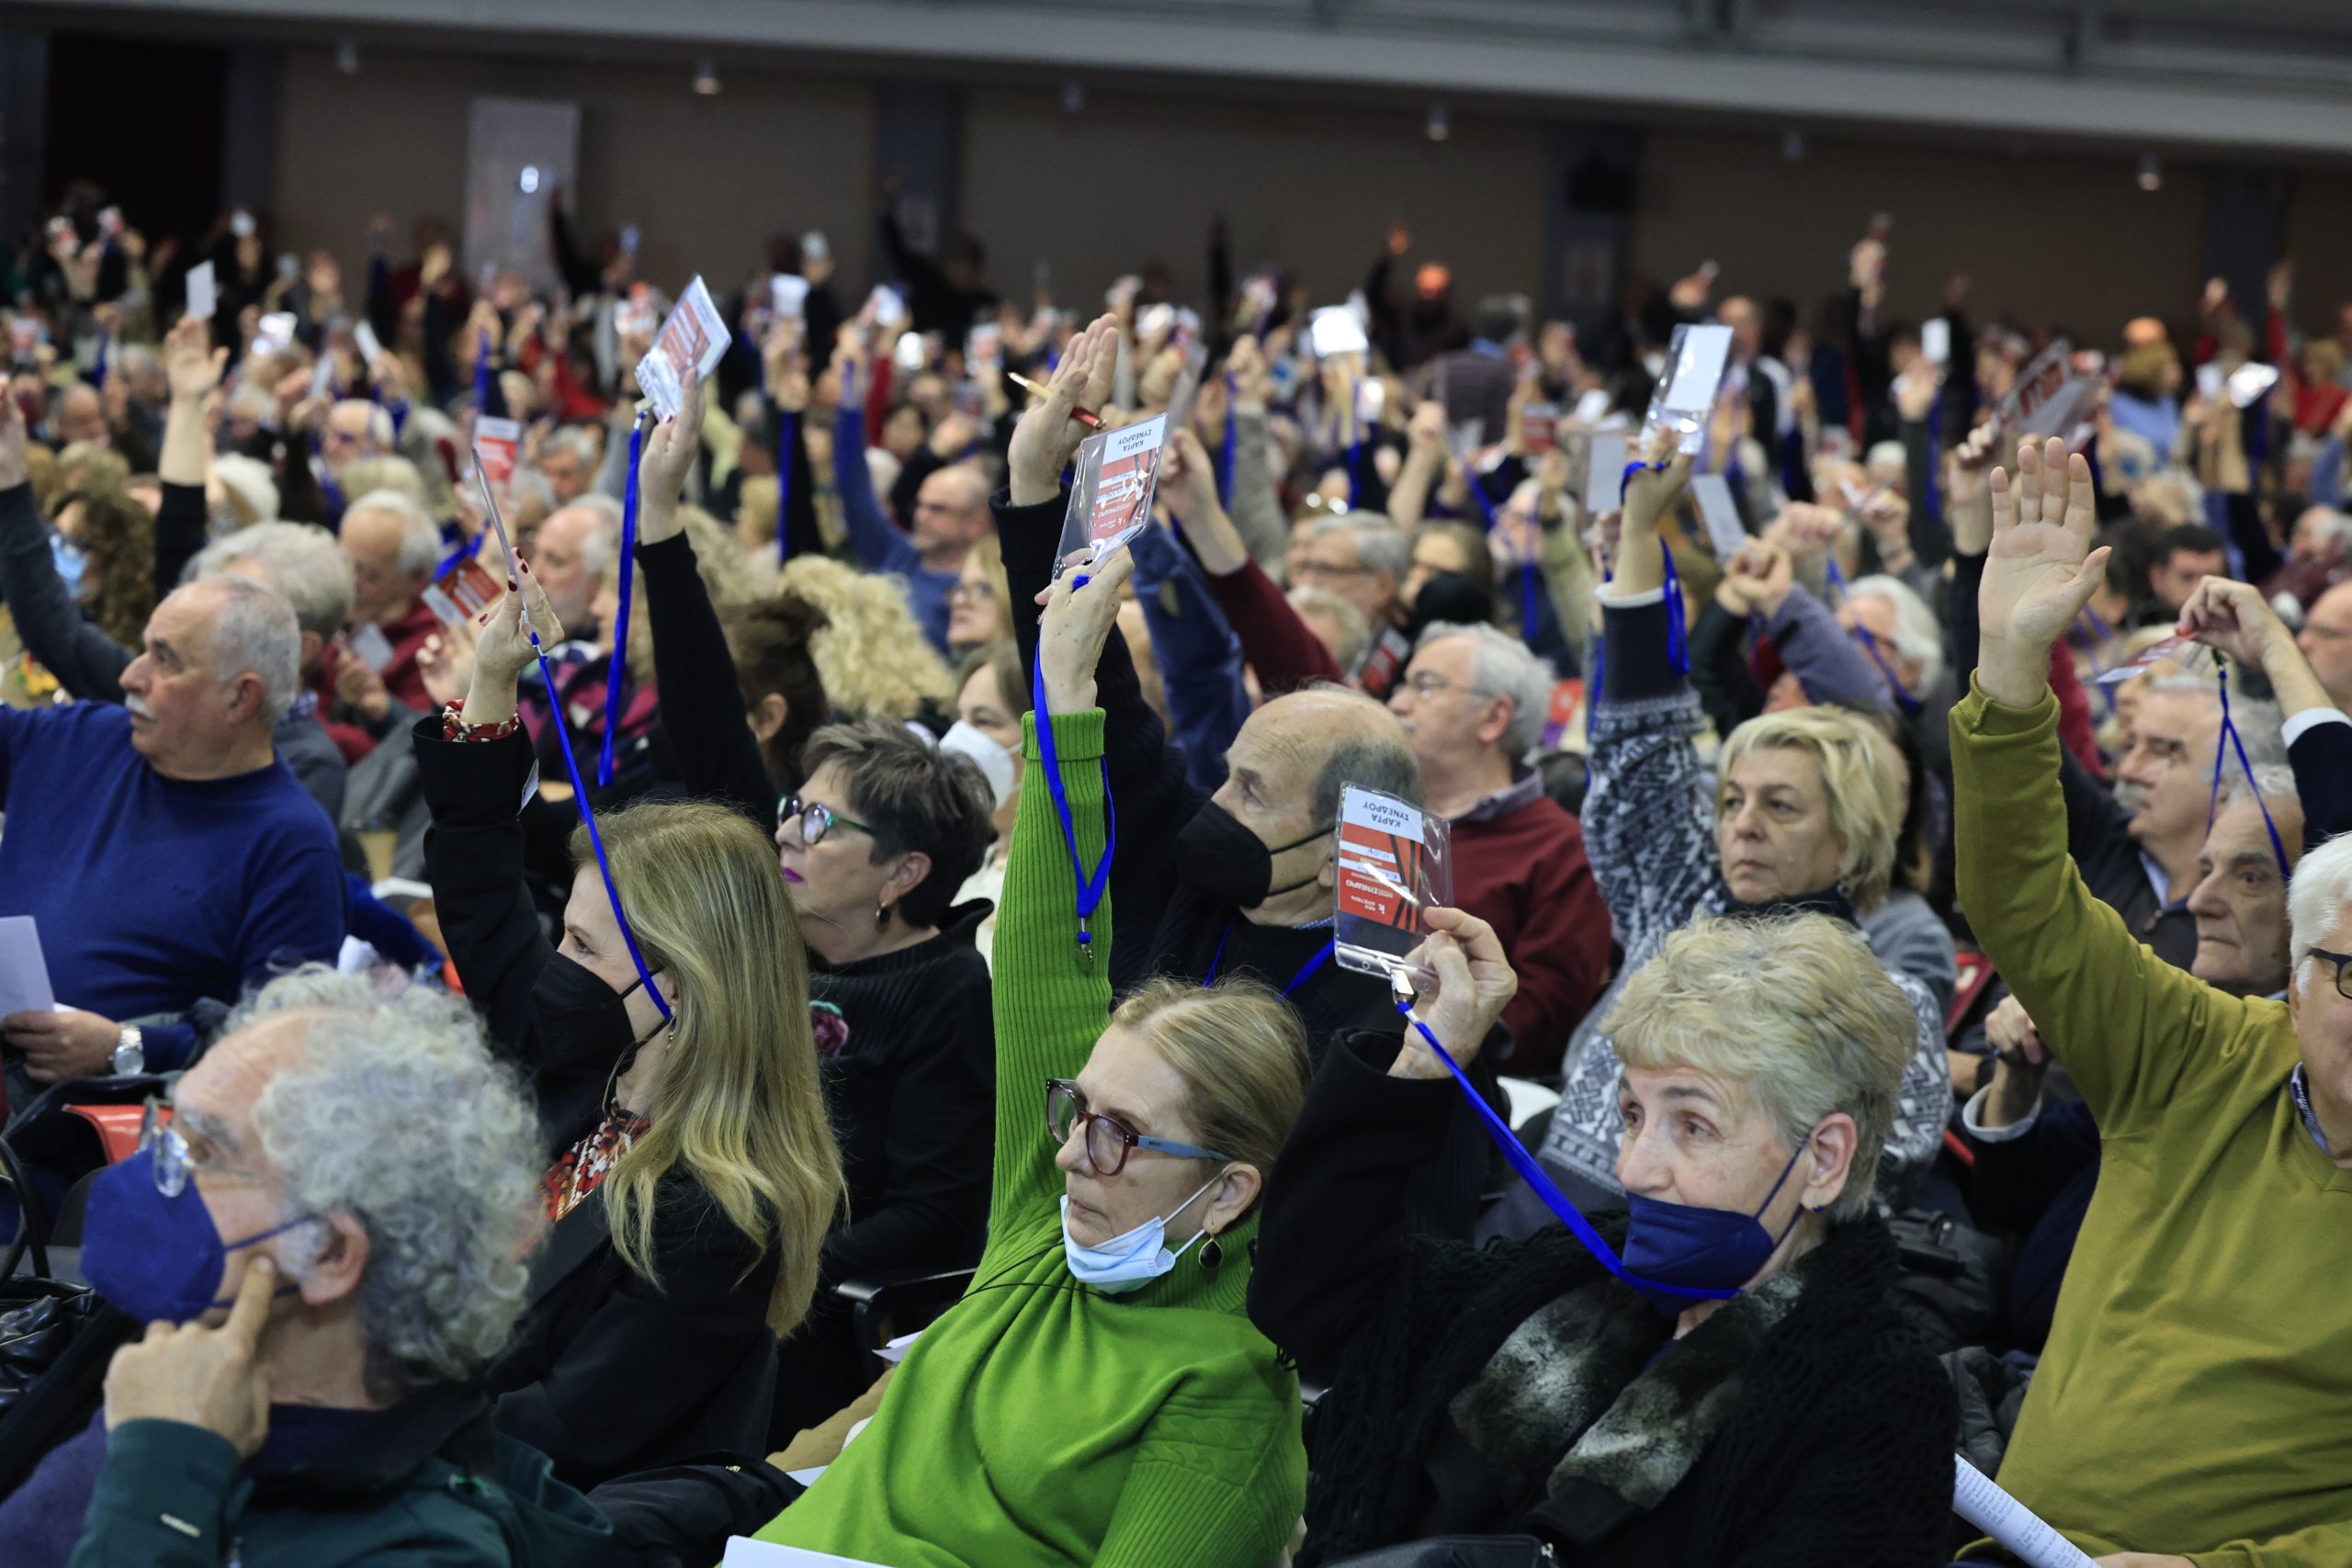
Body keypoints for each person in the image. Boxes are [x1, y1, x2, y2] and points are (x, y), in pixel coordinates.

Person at [750, 542, 1310, 1568]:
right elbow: (1050, 956)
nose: (1066, 1155)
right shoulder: (1044, 1227)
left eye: (1121, 1136)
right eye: (1075, 1110)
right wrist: (1060, 679)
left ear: (1228, 1194)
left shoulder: (1224, 1391)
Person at [1250, 912, 1953, 1564]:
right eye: (1631, 1115)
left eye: (1694, 1126)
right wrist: (1425, 1059)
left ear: (1824, 1159)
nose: (1632, 1168)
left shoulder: (1877, 1399)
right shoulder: (1576, 1270)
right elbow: (1316, 1299)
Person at [1954, 434, 2352, 1563]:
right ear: (2298, 970)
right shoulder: (2197, 1049)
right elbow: (2021, 896)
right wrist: (2009, 670)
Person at [625, 374, 999, 1440]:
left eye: (821, 827)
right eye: (795, 808)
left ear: (903, 876)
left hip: (794, 1310)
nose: (787, 834)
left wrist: (768, 1255)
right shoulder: (770, 916)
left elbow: (933, 1213)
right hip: (695, 1244)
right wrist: (660, 523)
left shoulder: (942, 993)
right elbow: (704, 713)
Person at [416, 575, 844, 1487]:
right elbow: (482, 891)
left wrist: (369, 1423)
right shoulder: (587, 1057)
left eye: (579, 943)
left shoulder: (721, 1211)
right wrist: (493, 679)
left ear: (681, 991)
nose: (555, 961)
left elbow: (560, 1429)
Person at [7, 969, 613, 1568]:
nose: (153, 1176)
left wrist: (165, 1484)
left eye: (205, 1152)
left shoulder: (421, 1549)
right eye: (167, 1131)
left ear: (328, 1252)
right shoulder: (170, 1369)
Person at [1512, 445, 1951, 1235]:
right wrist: (1643, 534)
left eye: (1781, 807)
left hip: (1702, 1288)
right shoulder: (1684, 901)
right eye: (1732, 800)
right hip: (1540, 1224)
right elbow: (1641, 741)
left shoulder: (1884, 1005)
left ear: (1853, 841)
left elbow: (1865, 1203)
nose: (1743, 823)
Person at [0, 479, 344, 1100]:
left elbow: (280, 1056)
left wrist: (126, 1047)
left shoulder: (291, 843)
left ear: (241, 697)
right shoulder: (86, 735)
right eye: (142, 650)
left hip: (82, 1135)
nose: (131, 675)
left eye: (164, 659)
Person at [1965, 761, 2306, 1352]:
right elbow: (2005, 1200)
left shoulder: (2316, 1091)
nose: (2200, 901)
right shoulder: (2176, 1043)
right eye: (2205, 870)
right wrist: (2017, 1078)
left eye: (2250, 877)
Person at [1387, 621, 1610, 1072]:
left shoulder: (1561, 849)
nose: (1397, 703)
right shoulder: (1378, 816)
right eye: (1404, 684)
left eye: (1424, 686)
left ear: (1493, 718)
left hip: (1455, 1081)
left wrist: (1408, 1030)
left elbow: (1541, 1021)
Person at [334, 487, 442, 712]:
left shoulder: (435, 649)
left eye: (368, 574)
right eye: (343, 563)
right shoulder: (343, 616)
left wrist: (382, 712)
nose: (349, 582)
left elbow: (415, 739)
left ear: (416, 577)